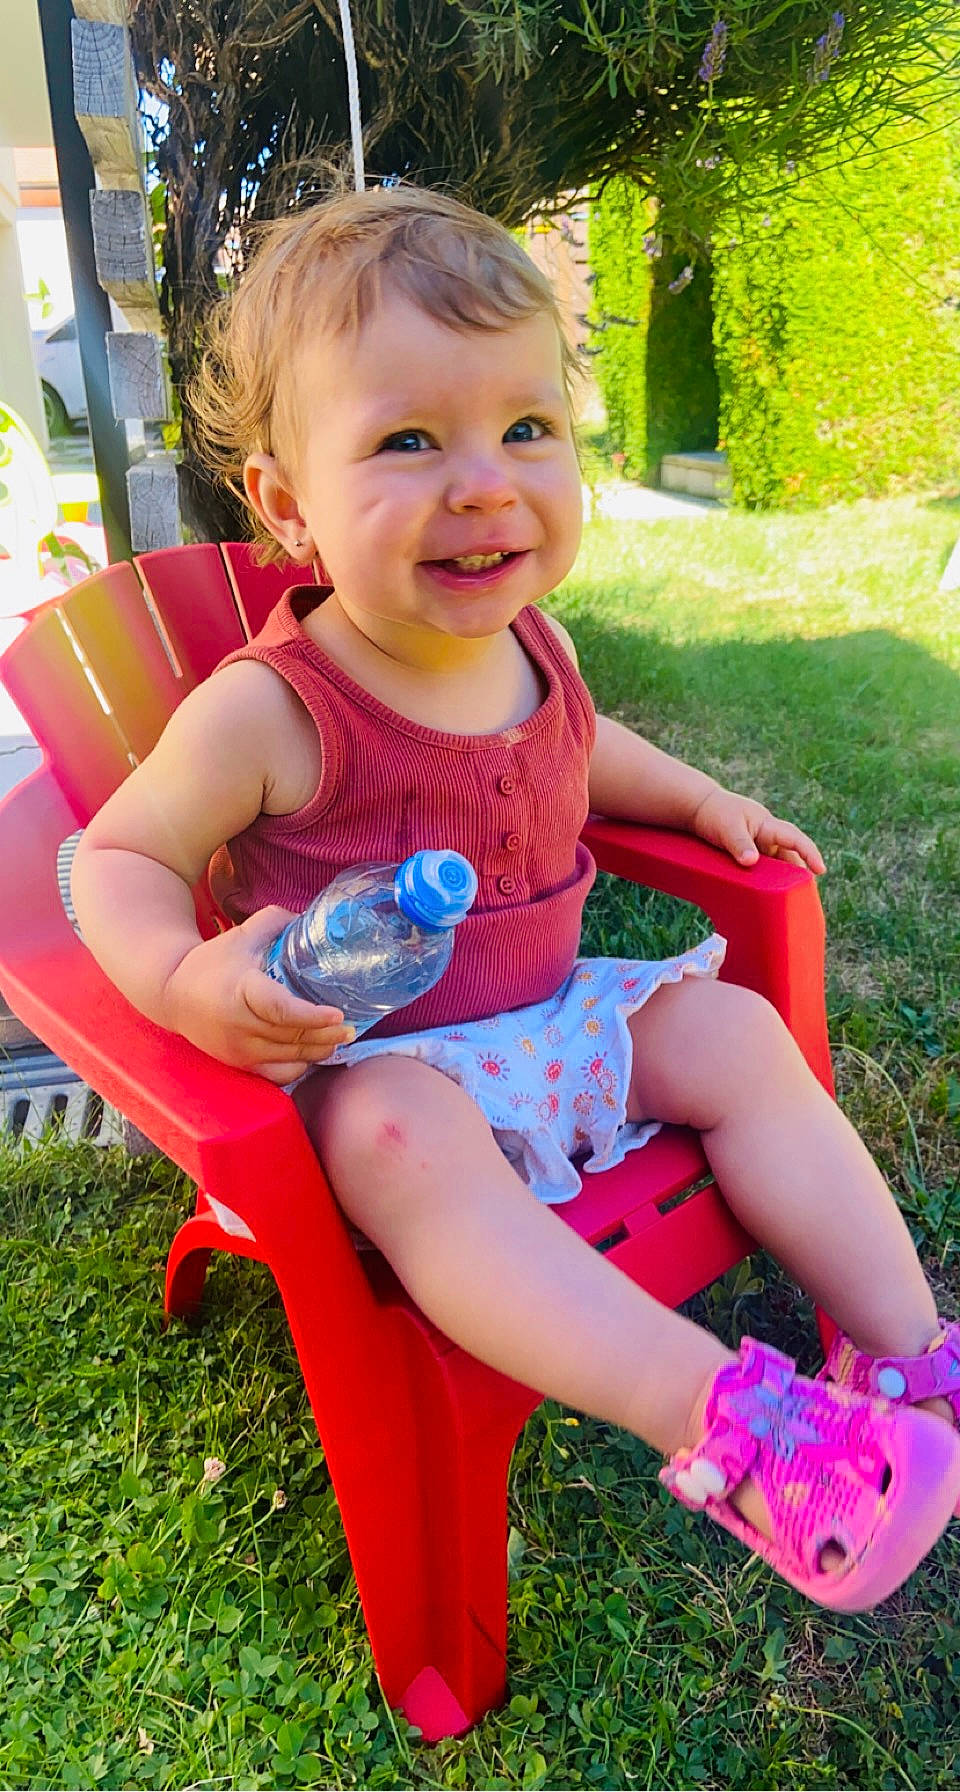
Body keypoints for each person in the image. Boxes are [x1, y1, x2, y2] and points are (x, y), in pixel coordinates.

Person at [71, 184, 960, 1613]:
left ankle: (908, 1361)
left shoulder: (531, 644)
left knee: (737, 1034)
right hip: (371, 1073)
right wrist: (187, 983)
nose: (485, 483)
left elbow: (583, 750)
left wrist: (698, 802)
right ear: (289, 505)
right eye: (409, 440)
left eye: (528, 427)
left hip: (549, 1020)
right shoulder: (270, 711)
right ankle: (735, 1434)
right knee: (406, 1140)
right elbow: (114, 857)